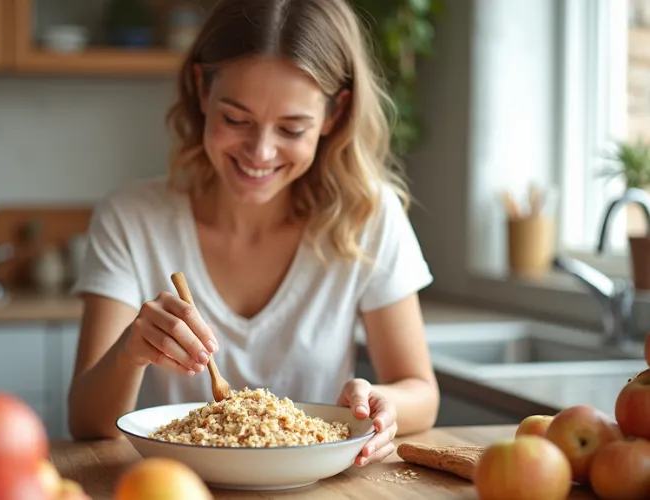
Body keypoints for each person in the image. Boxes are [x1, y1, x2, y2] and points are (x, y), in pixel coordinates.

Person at [67, 0, 440, 466]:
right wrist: (130, 353)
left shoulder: (368, 215)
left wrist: (382, 405)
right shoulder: (132, 217)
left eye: (291, 128)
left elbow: (420, 391)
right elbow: (85, 422)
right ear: (203, 91)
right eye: (236, 120)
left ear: (333, 114)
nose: (260, 152)